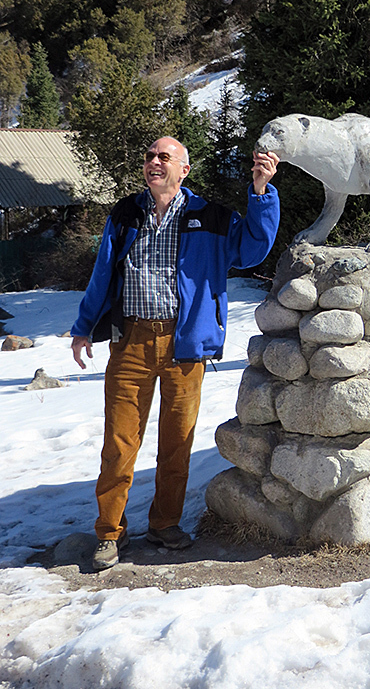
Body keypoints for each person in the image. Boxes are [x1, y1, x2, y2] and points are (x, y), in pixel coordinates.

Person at [71, 137, 280, 571]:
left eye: (163, 157)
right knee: (119, 442)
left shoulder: (211, 216)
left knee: (177, 442)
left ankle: (164, 524)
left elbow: (253, 249)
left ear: (183, 169)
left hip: (185, 345)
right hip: (131, 341)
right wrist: (83, 327)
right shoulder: (126, 214)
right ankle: (110, 532)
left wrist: (260, 192)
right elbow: (103, 272)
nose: (153, 162)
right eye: (149, 156)